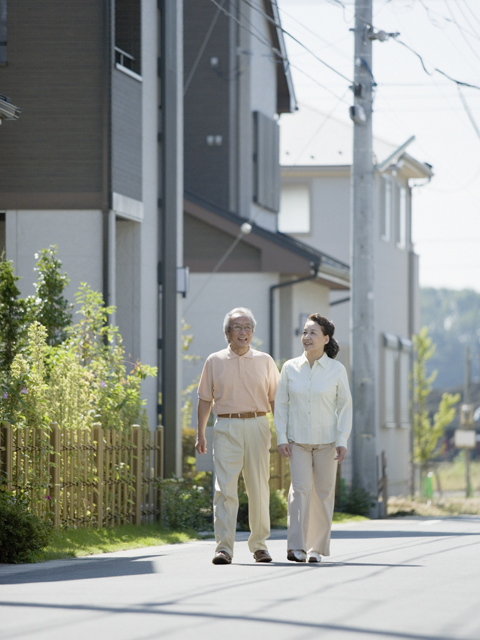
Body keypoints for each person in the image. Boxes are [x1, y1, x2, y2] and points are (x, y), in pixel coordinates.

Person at [195, 307, 279, 565]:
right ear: (227, 332)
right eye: (237, 327)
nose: (243, 332)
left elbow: (276, 400)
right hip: (226, 426)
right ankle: (224, 548)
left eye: (248, 328)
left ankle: (259, 546)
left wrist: (283, 434)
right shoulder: (214, 360)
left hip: (257, 424)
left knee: (258, 487)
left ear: (253, 332)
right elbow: (204, 400)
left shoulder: (265, 360)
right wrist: (200, 434)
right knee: (225, 490)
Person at [274, 314, 352, 563]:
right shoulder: (289, 367)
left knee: (323, 493)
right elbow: (281, 405)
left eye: (313, 333)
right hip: (297, 442)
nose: (306, 337)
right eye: (304, 332)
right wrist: (282, 437)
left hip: (327, 443)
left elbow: (345, 407)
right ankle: (295, 546)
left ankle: (316, 549)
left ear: (326, 338)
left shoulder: (336, 370)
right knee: (299, 491)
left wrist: (342, 440)